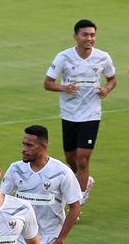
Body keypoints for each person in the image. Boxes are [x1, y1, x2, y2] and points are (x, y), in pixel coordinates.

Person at [44, 19, 118, 203]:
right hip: (69, 114)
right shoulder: (63, 57)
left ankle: (78, 201)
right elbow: (48, 83)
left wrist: (106, 90)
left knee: (83, 159)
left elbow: (112, 79)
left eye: (92, 35)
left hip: (91, 114)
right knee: (71, 159)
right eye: (85, 34)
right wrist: (64, 88)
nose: (89, 38)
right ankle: (85, 181)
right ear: (76, 36)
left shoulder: (103, 57)